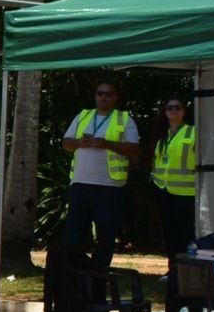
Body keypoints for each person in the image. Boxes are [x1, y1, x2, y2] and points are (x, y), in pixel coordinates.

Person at [61, 81, 140, 272]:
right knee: (76, 231)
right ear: (95, 96)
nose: (103, 97)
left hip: (109, 186)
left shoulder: (124, 119)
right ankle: (75, 270)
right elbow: (66, 143)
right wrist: (80, 142)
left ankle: (99, 271)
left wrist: (107, 144)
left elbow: (134, 149)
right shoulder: (83, 116)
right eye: (100, 93)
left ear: (115, 98)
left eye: (108, 94)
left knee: (106, 233)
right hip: (81, 183)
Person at [149, 94, 198, 260]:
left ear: (184, 112)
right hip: (163, 190)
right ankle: (172, 269)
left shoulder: (193, 132)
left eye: (177, 107)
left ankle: (183, 270)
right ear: (165, 112)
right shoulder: (161, 134)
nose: (174, 111)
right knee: (168, 232)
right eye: (170, 108)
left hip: (185, 192)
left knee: (184, 232)